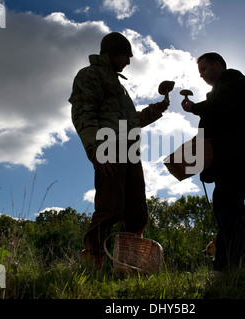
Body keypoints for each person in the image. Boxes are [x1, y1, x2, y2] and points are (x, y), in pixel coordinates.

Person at [69, 32, 169, 269]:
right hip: (109, 149)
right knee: (110, 208)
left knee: (137, 213)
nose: (129, 61)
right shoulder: (90, 75)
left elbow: (130, 121)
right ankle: (92, 264)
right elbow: (82, 113)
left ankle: (127, 267)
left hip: (130, 152)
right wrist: (97, 150)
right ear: (112, 52)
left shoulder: (118, 86)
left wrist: (156, 109)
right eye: (126, 55)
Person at [181, 52, 245, 271]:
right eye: (199, 72)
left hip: (237, 158)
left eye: (204, 69)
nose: (201, 75)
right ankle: (231, 265)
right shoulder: (222, 89)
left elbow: (220, 107)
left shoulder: (232, 79)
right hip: (230, 159)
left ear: (217, 64)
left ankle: (235, 265)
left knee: (229, 207)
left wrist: (193, 108)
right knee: (227, 207)